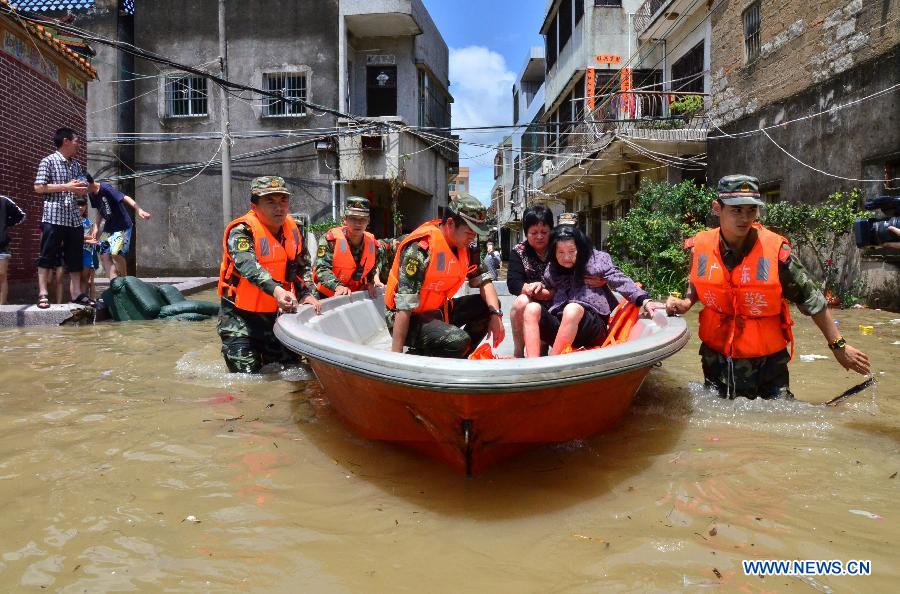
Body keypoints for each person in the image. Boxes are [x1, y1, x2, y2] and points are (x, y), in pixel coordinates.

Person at [665, 174, 871, 399]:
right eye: (736, 210)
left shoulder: (777, 254)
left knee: (777, 419)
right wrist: (686, 301)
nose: (744, 218)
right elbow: (700, 279)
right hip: (716, 360)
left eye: (751, 210)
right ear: (717, 208)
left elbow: (812, 301)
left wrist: (839, 347)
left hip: (767, 366)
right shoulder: (700, 246)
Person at [217, 176, 321, 373]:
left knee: (294, 371)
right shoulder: (241, 231)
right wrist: (278, 291)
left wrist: (306, 293)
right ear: (254, 206)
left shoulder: (295, 229)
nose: (279, 208)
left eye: (283, 201)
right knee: (247, 380)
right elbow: (248, 267)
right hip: (240, 319)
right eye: (270, 202)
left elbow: (302, 266)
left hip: (276, 316)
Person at [385, 195, 505, 358]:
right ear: (450, 224)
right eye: (469, 232)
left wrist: (495, 314)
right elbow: (404, 307)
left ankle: (460, 357)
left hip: (439, 311)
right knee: (459, 340)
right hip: (408, 319)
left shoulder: (466, 248)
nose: (472, 238)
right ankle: (420, 356)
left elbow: (484, 281)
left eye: (475, 234)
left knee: (489, 305)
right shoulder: (419, 250)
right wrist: (396, 358)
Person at [523, 225, 665, 357]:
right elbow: (549, 287)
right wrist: (538, 286)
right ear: (554, 252)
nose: (566, 257)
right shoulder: (553, 267)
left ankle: (553, 361)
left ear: (580, 248)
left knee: (572, 309)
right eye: (560, 252)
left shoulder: (595, 261)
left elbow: (619, 279)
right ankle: (533, 363)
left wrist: (645, 300)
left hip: (592, 328)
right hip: (562, 326)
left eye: (572, 251)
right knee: (531, 309)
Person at [33, 127, 90, 308]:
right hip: (53, 216)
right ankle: (43, 294)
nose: (78, 144)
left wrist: (82, 188)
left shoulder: (76, 165)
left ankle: (77, 294)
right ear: (66, 141)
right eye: (76, 141)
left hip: (74, 217)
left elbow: (79, 187)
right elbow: (39, 187)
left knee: (75, 257)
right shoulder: (48, 161)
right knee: (47, 256)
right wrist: (66, 186)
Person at [312, 196, 381, 297]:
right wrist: (338, 286)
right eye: (353, 218)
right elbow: (321, 268)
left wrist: (370, 283)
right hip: (326, 295)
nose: (358, 223)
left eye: (363, 219)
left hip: (354, 296)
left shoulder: (372, 243)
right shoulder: (331, 240)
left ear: (368, 221)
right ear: (345, 219)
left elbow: (372, 267)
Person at [85, 174, 150, 279]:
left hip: (122, 225)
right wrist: (96, 226)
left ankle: (125, 280)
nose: (82, 190)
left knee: (116, 253)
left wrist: (139, 210)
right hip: (109, 227)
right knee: (103, 254)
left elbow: (125, 197)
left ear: (90, 182)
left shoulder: (106, 188)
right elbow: (100, 210)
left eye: (83, 186)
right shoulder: (91, 194)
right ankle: (114, 282)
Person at [0, 194, 27, 305]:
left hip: (1, 246)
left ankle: (1, 309)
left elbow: (21, 215)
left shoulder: (4, 201)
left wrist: (6, 224)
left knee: (1, 275)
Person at [76, 197, 99, 301]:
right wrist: (88, 239)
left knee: (86, 278)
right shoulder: (73, 220)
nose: (80, 207)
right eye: (78, 205)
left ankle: (83, 298)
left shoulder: (89, 222)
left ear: (86, 207)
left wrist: (90, 238)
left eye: (83, 205)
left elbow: (93, 237)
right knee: (77, 277)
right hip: (75, 251)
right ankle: (77, 297)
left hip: (88, 252)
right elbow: (74, 237)